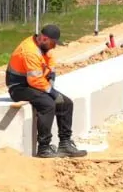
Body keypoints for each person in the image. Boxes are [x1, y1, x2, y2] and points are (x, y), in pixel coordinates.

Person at [6, 24, 86, 158]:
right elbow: (35, 80)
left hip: (33, 85)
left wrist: (51, 79)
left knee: (66, 103)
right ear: (43, 38)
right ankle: (43, 147)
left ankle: (65, 144)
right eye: (53, 43)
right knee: (48, 104)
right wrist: (52, 92)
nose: (54, 46)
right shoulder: (30, 51)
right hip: (19, 88)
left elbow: (50, 63)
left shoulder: (43, 47)